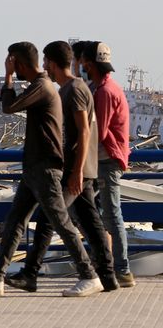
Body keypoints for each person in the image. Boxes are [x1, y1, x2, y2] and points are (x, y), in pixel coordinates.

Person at [0, 42, 102, 297]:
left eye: (12, 62)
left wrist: (6, 77)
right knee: (16, 221)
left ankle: (89, 274)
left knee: (60, 222)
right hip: (35, 167)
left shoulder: (42, 86)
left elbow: (9, 106)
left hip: (45, 167)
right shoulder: (45, 86)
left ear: (20, 62)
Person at [3, 41, 117, 292]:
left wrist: (76, 171)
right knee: (90, 223)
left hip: (77, 170)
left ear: (53, 63)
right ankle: (108, 277)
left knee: (49, 220)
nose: (44, 67)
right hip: (77, 168)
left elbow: (85, 131)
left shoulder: (74, 89)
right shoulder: (70, 88)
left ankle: (35, 273)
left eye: (46, 62)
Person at [81, 41, 135, 287]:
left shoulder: (103, 92)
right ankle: (110, 265)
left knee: (111, 215)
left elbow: (98, 132)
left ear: (90, 64)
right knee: (104, 215)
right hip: (106, 159)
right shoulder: (107, 87)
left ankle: (122, 269)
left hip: (106, 159)